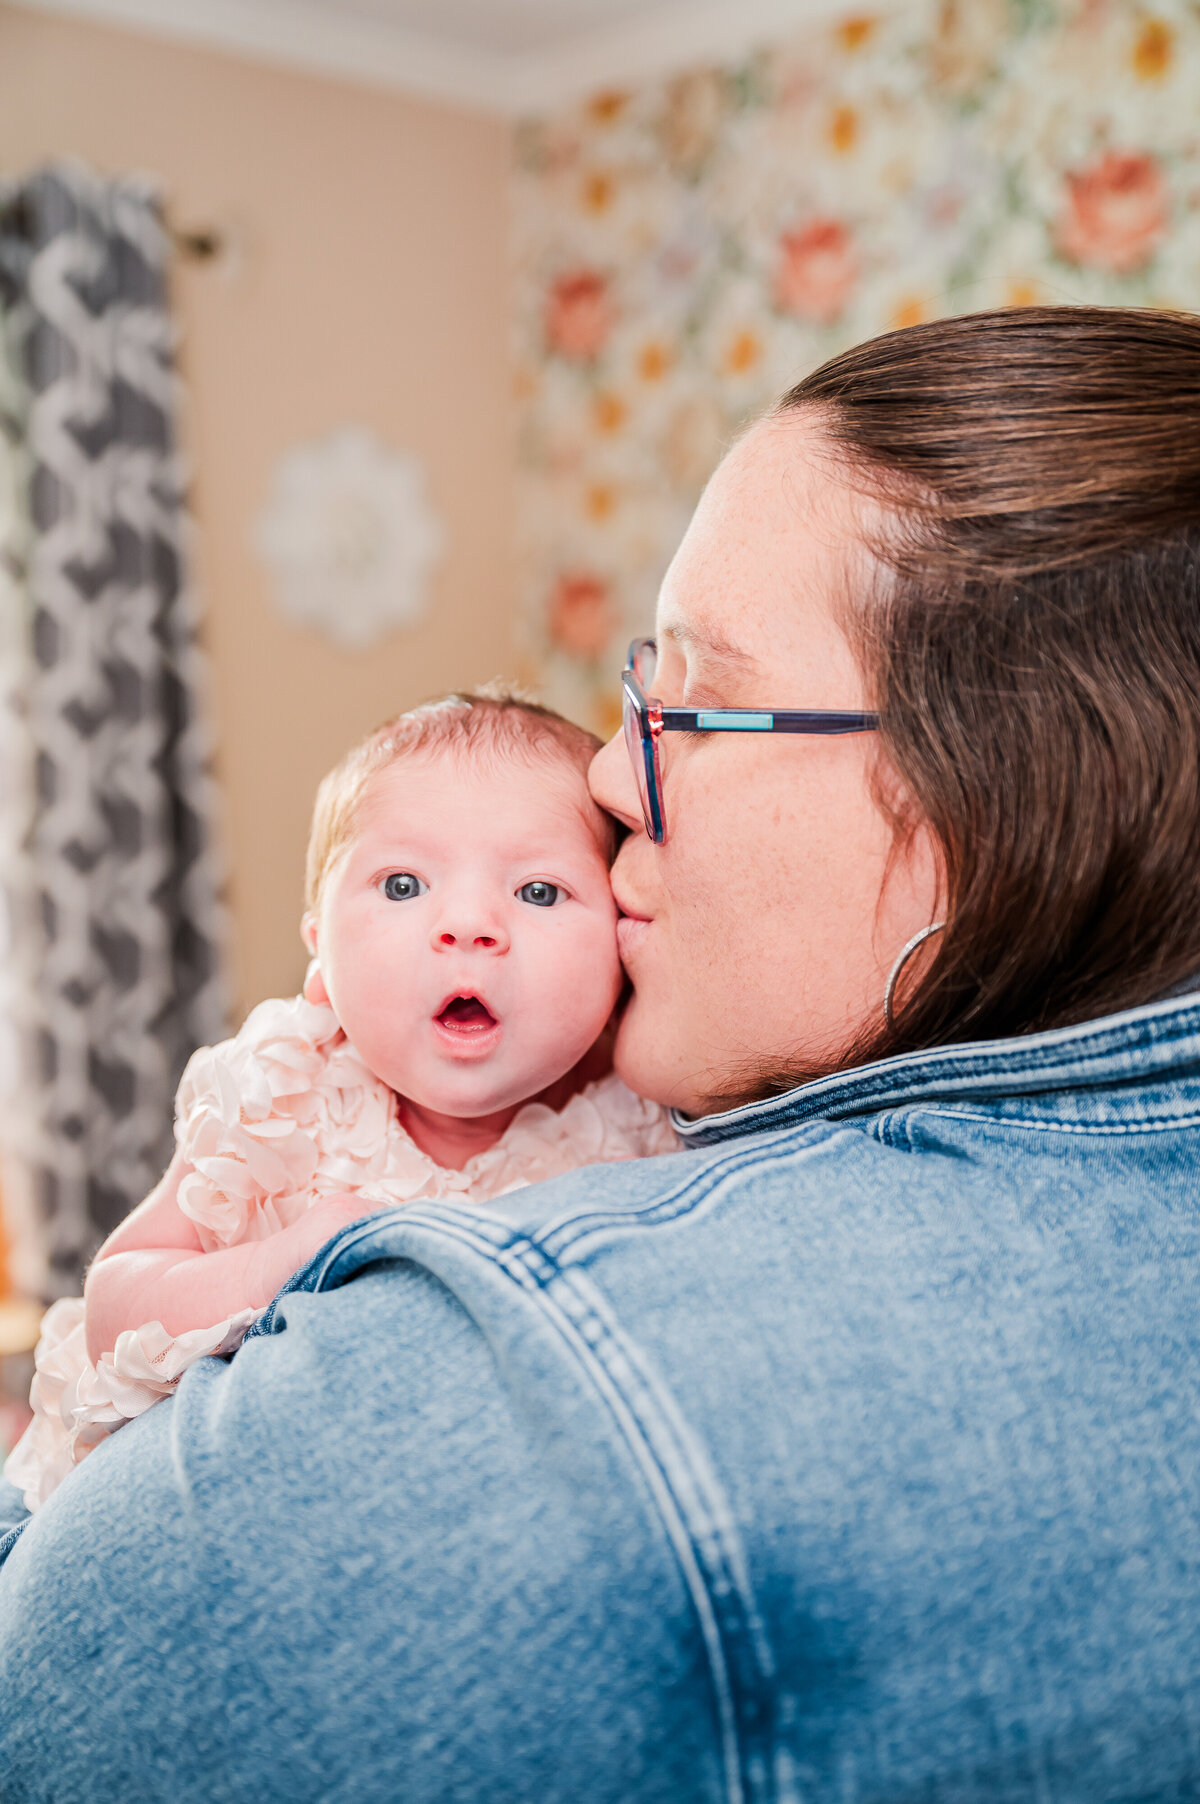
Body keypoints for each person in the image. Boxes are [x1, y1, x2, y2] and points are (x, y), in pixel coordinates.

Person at [2, 304, 1199, 1801]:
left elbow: (46, 1689)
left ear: (989, 804)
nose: (606, 774)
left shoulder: (539, 1375)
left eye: (690, 700)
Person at [6, 692, 676, 1510]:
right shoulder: (281, 1091)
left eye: (538, 892)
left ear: (620, 950)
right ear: (319, 949)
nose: (468, 925)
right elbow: (115, 1300)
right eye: (403, 885)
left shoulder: (637, 1128)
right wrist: (277, 1263)